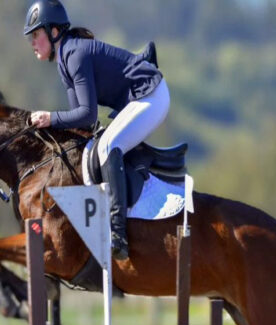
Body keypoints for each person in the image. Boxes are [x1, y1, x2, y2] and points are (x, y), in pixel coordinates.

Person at [24, 0, 169, 260]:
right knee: (101, 144)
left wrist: (50, 117)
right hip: (140, 97)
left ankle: (118, 232)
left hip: (152, 95)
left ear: (54, 32)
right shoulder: (64, 59)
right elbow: (83, 123)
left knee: (107, 146)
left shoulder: (75, 55)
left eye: (36, 34)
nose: (32, 42)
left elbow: (88, 114)